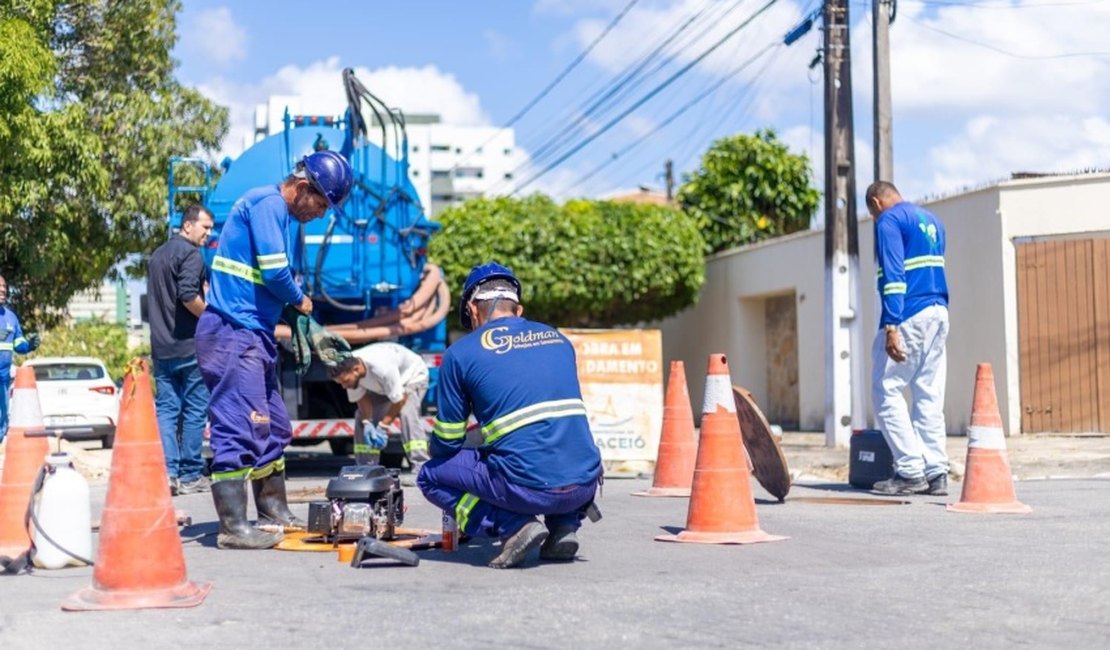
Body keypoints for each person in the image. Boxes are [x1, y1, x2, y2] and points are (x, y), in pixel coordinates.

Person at [196, 150, 353, 549]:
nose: (320, 214)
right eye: (320, 204)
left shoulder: (279, 215)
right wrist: (302, 303)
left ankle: (273, 511)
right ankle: (233, 528)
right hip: (232, 332)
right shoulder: (268, 203)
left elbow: (263, 279)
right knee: (240, 424)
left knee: (273, 426)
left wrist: (292, 312)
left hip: (253, 334)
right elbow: (275, 271)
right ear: (302, 188)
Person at [418, 262, 602, 569]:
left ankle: (513, 526)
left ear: (473, 310)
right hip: (583, 485)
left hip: (528, 491)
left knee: (431, 476)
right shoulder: (558, 339)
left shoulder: (460, 354)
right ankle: (563, 528)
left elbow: (448, 440)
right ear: (518, 310)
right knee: (554, 443)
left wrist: (441, 452)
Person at [866, 181, 951, 496]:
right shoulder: (933, 221)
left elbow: (894, 274)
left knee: (886, 389)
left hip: (910, 313)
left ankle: (910, 471)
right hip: (939, 312)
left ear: (876, 203)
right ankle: (936, 471)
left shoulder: (889, 220)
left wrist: (891, 324)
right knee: (928, 393)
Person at [148, 205, 215, 496]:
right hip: (189, 346)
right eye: (205, 227)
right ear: (188, 226)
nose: (208, 234)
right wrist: (212, 317)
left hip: (162, 347)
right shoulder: (190, 255)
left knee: (166, 410)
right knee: (194, 410)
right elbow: (188, 295)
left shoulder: (157, 255)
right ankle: (189, 474)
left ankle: (167, 474)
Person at [327, 342, 431, 481]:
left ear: (356, 369)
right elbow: (362, 399)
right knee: (360, 416)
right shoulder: (351, 371)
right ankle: (365, 468)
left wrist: (383, 426)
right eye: (340, 383)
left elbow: (399, 400)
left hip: (411, 377)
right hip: (383, 386)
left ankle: (421, 467)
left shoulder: (383, 368)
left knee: (408, 414)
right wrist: (368, 422)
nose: (344, 386)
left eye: (345, 381)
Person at [0, 275, 40, 444]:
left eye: (4, 286)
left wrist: (29, 345)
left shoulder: (11, 317)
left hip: (3, 378)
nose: (3, 290)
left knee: (3, 417)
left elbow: (19, 343)